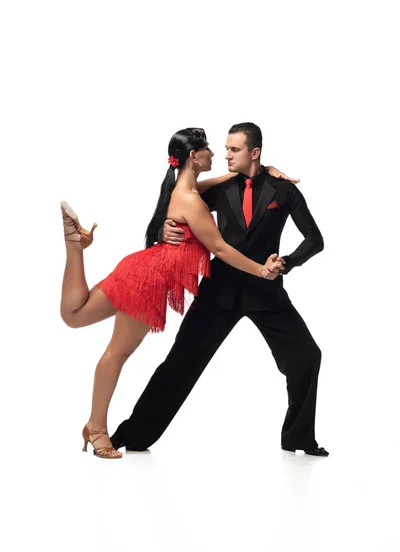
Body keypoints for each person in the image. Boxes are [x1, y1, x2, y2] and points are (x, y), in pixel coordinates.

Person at [60, 127, 293, 459]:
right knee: (118, 352)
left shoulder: (185, 190)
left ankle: (76, 247)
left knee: (74, 315)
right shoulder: (189, 198)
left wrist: (267, 170)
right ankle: (97, 429)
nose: (216, 154)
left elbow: (222, 181)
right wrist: (260, 270)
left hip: (141, 269)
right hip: (148, 281)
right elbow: (220, 249)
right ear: (194, 157)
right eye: (210, 149)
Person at [110, 122, 329, 457]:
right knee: (180, 362)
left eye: (234, 150)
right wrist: (163, 227)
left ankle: (297, 437)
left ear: (254, 153)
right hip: (219, 289)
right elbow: (178, 198)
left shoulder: (284, 191)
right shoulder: (219, 189)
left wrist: (284, 262)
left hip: (266, 291)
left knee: (307, 356)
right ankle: (133, 434)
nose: (226, 154)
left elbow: (315, 240)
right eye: (224, 148)